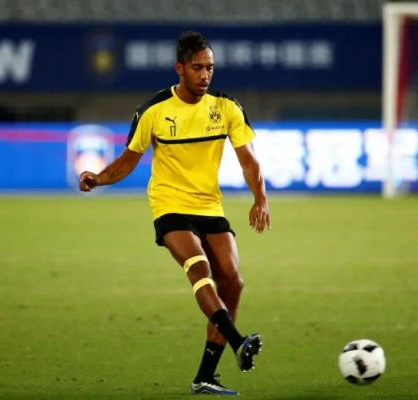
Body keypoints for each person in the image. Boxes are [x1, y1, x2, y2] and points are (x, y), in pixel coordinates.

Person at [78, 30, 270, 396]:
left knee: (233, 281)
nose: (205, 75)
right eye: (197, 68)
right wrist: (99, 178)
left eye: (209, 68)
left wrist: (260, 198)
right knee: (199, 269)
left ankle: (205, 377)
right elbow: (127, 161)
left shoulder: (226, 107)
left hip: (209, 205)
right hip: (169, 205)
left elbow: (249, 161)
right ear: (179, 68)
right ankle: (237, 341)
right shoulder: (154, 111)